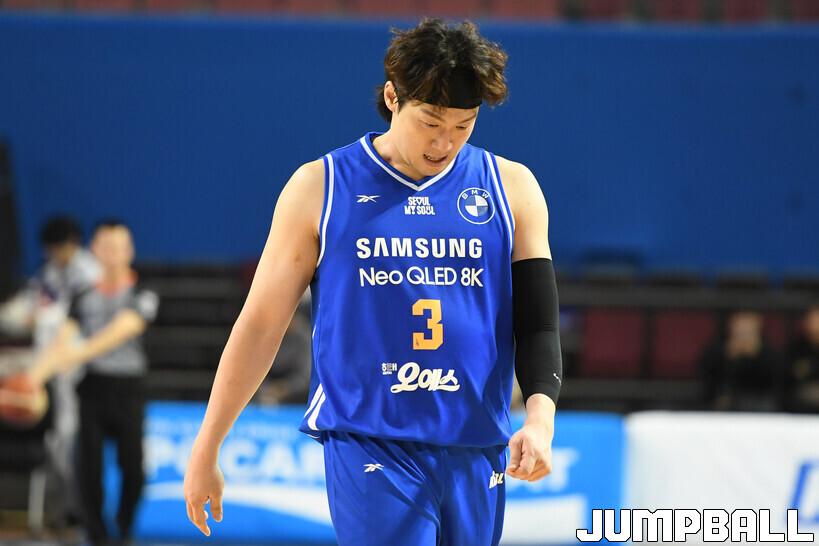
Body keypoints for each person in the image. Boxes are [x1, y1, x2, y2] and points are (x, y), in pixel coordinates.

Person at [184, 18, 563, 546]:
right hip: (370, 441)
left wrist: (540, 420)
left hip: (477, 442)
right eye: (430, 122)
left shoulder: (512, 188)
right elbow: (261, 324)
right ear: (392, 97)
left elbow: (539, 324)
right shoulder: (321, 186)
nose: (444, 142)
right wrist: (208, 444)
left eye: (463, 125)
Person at [26, 220, 159, 546]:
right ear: (94, 250)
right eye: (106, 247)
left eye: (119, 247)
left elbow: (124, 329)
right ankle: (96, 535)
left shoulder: (143, 292)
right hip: (92, 387)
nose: (113, 254)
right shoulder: (82, 295)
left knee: (133, 466)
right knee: (87, 468)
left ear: (130, 251)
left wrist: (78, 353)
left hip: (128, 388)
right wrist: (32, 378)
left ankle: (124, 527)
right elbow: (63, 340)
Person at [699, 310, 783, 412]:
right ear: (731, 323)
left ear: (758, 323)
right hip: (725, 402)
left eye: (748, 323)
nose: (744, 328)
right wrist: (729, 357)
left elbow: (776, 380)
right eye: (740, 322)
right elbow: (707, 376)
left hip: (760, 402)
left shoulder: (768, 350)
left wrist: (756, 355)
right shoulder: (718, 348)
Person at [785, 303, 819, 413]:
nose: (815, 325)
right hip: (801, 404)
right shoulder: (796, 347)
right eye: (812, 320)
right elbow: (789, 377)